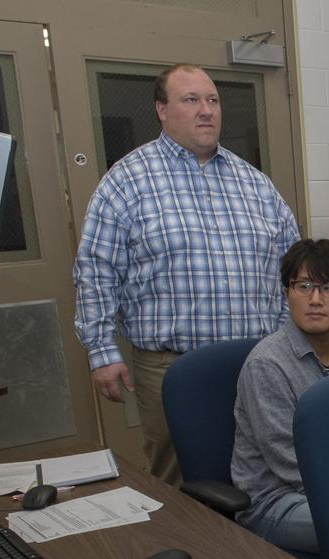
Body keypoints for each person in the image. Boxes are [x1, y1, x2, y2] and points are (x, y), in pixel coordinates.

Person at [74, 63, 299, 485]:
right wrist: (101, 349)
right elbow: (96, 270)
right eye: (191, 100)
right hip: (173, 368)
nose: (206, 111)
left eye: (212, 100)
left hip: (256, 361)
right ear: (162, 110)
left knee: (263, 471)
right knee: (179, 477)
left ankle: (252, 552)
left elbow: (290, 266)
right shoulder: (127, 181)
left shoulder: (255, 183)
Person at [232, 239, 329, 556]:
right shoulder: (267, 365)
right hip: (277, 501)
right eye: (303, 286)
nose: (315, 299)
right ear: (287, 294)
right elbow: (290, 464)